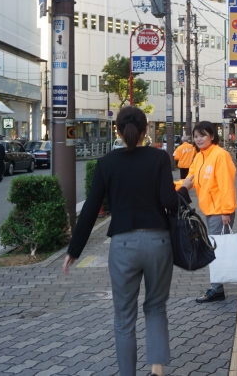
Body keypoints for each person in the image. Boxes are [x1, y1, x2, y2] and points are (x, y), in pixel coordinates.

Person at [62, 106, 193, 376]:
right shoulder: (158, 158)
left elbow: (90, 209)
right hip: (158, 243)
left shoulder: (106, 163)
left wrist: (74, 250)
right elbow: (170, 202)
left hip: (122, 246)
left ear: (118, 131)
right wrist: (185, 189)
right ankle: (157, 369)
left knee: (124, 320)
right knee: (156, 307)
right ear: (145, 131)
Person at [178, 121, 237, 303]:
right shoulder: (199, 157)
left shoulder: (220, 155)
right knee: (220, 250)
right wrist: (169, 187)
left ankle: (216, 290)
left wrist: (226, 211)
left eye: (203, 135)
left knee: (213, 250)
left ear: (212, 136)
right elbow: (189, 180)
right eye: (196, 136)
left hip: (220, 211)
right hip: (209, 209)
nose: (199, 139)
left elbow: (226, 185)